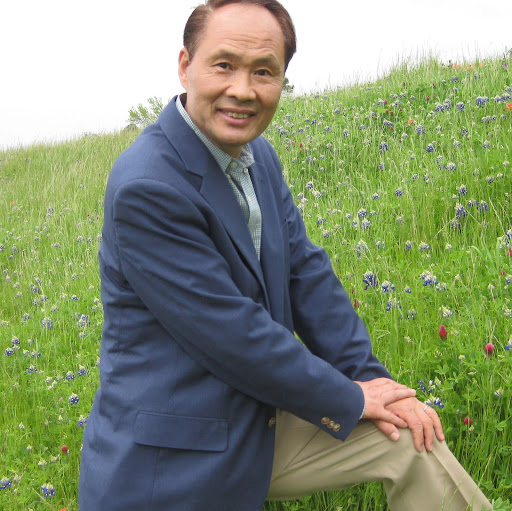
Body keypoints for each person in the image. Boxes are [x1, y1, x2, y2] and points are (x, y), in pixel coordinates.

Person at [78, 1, 492, 510]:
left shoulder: (258, 157)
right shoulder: (147, 186)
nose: (243, 90)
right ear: (185, 66)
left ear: (281, 80)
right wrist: (350, 399)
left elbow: (305, 274)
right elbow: (231, 335)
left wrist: (372, 381)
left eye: (264, 72)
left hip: (257, 411)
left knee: (409, 439)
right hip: (178, 453)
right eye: (224, 65)